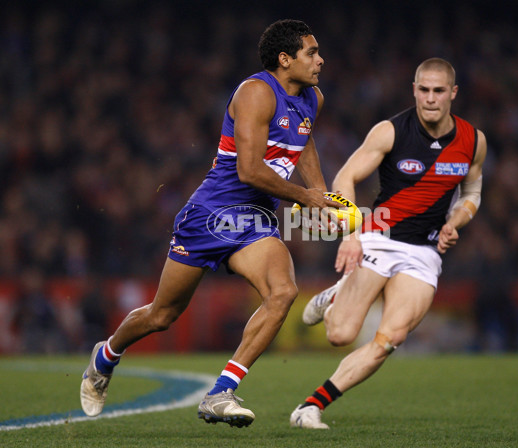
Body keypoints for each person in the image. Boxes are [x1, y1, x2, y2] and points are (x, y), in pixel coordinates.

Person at [80, 19, 337, 428]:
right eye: (311, 52)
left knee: (283, 290)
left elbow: (302, 141)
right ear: (284, 59)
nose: (320, 59)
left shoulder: (313, 98)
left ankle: (220, 392)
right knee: (162, 315)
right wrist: (305, 197)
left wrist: (322, 192)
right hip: (211, 214)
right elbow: (250, 171)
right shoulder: (255, 92)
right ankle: (105, 356)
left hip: (254, 220)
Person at [290, 58, 487, 429]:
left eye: (439, 91)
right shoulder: (390, 131)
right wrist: (351, 235)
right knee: (340, 335)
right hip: (378, 237)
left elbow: (472, 191)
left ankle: (311, 407)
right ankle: (334, 296)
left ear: (453, 93)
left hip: (424, 252)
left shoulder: (473, 141)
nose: (430, 99)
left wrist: (457, 221)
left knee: (390, 337)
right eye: (424, 90)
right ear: (414, 90)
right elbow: (345, 177)